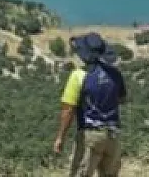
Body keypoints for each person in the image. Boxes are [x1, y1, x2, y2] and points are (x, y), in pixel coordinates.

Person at [53, 32, 126, 177]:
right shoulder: (115, 74)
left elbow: (68, 111)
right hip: (113, 136)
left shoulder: (78, 76)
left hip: (90, 136)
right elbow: (122, 99)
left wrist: (60, 137)